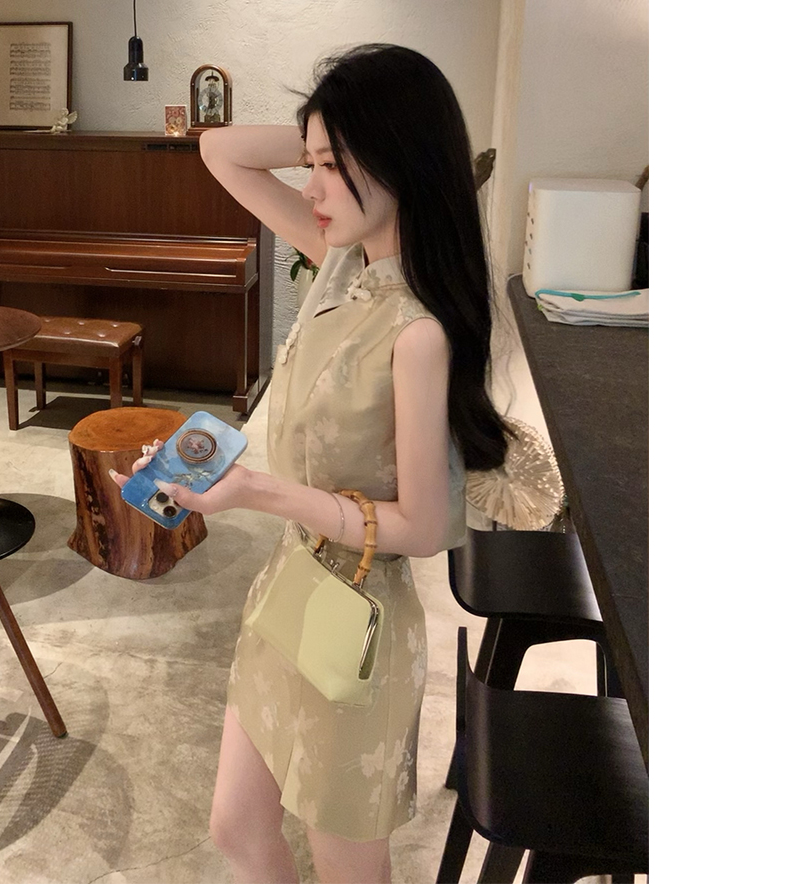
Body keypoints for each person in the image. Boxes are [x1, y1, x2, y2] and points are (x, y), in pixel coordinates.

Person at [112, 44, 510, 884]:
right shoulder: (341, 267)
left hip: (357, 625)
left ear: (399, 160)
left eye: (332, 167)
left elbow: (425, 528)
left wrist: (257, 491)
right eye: (313, 162)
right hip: (288, 590)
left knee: (346, 867)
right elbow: (220, 149)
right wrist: (333, 135)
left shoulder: (418, 331)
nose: (310, 188)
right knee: (236, 828)